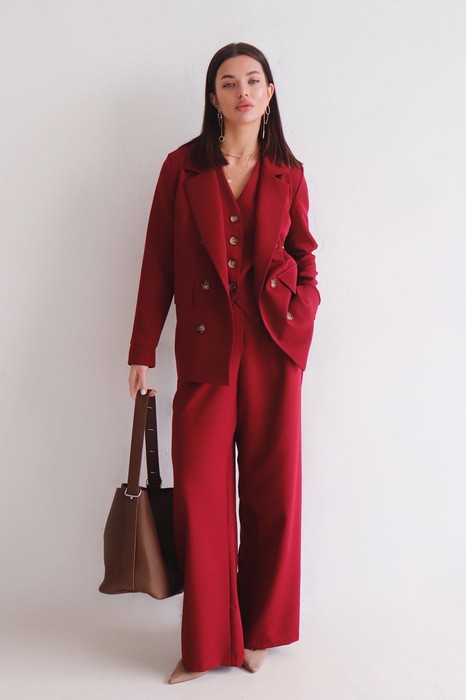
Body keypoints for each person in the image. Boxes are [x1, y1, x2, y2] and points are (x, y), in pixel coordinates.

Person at [127, 42, 321, 684]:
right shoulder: (181, 167)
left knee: (273, 493)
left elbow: (306, 257)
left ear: (270, 93)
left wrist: (300, 318)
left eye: (254, 80)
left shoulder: (288, 172)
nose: (243, 91)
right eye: (229, 82)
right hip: (205, 349)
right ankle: (207, 642)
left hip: (273, 348)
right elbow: (157, 261)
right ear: (212, 97)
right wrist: (142, 349)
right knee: (202, 498)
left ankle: (260, 630)